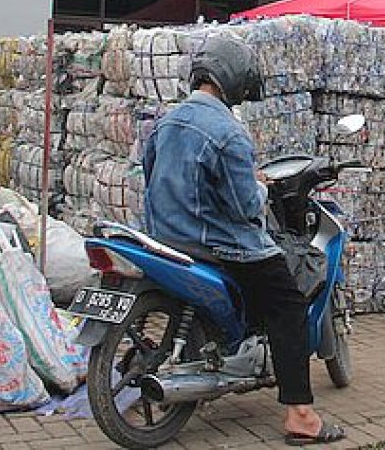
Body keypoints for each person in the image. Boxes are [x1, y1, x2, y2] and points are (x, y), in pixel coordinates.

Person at [142, 32, 346, 446]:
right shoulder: (228, 132)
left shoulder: (167, 120)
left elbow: (150, 173)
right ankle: (301, 416)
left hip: (166, 236)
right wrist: (261, 187)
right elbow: (244, 208)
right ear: (234, 80)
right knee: (288, 305)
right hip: (220, 245)